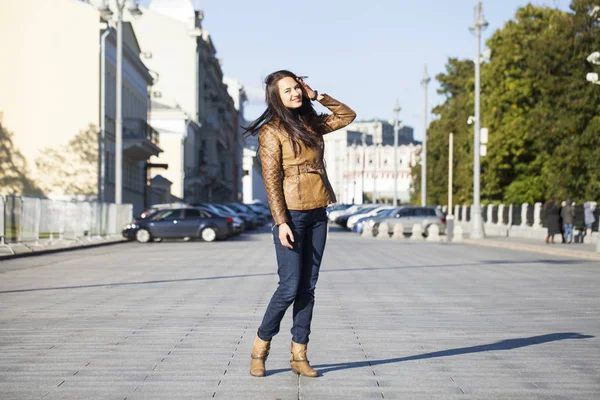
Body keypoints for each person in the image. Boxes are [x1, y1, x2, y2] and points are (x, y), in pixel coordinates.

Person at [243, 70, 356, 377]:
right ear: (276, 98)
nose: (294, 93)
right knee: (289, 286)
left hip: (318, 210)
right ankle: (260, 346)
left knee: (308, 286)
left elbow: (347, 115)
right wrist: (281, 222)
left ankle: (299, 354)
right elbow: (271, 181)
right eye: (287, 90)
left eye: (296, 88)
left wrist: (318, 96)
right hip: (291, 215)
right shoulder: (271, 132)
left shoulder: (312, 122)